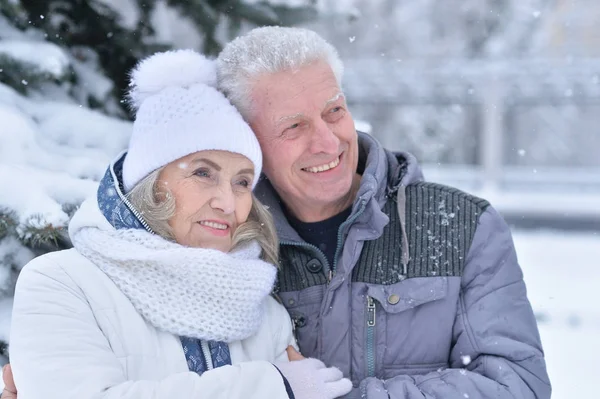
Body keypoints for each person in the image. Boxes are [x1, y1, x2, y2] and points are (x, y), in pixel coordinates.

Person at [3, 27, 552, 399]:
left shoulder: (457, 225)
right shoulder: (237, 254)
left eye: (333, 110)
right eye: (292, 126)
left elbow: (518, 385)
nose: (328, 141)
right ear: (255, 143)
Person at [6, 49, 352, 399]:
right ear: (150, 182)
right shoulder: (63, 282)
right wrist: (270, 388)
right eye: (203, 173)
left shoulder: (263, 310)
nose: (227, 202)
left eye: (243, 182)